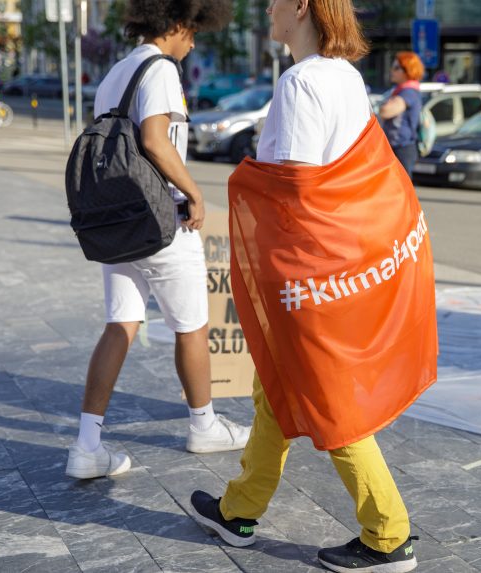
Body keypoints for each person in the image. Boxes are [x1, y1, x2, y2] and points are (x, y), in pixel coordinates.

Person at [188, 1, 438, 572]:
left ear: (300, 6)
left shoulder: (300, 82)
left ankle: (387, 534)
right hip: (340, 265)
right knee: (278, 386)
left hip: (307, 272)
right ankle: (238, 510)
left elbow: (293, 194)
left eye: (273, 1)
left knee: (327, 397)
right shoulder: (346, 76)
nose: (267, 10)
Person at [65, 0, 250, 481]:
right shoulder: (161, 69)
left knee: (120, 325)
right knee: (191, 326)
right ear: (177, 24)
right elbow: (154, 139)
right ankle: (204, 424)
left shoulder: (117, 72)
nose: (193, 42)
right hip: (162, 220)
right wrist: (194, 192)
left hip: (119, 221)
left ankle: (87, 447)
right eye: (193, 32)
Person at [378, 51, 425, 177]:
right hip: (398, 146)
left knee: (401, 189)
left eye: (396, 68)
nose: (392, 71)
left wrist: (383, 106)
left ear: (407, 70)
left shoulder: (408, 92)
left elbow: (386, 111)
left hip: (402, 147)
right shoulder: (400, 91)